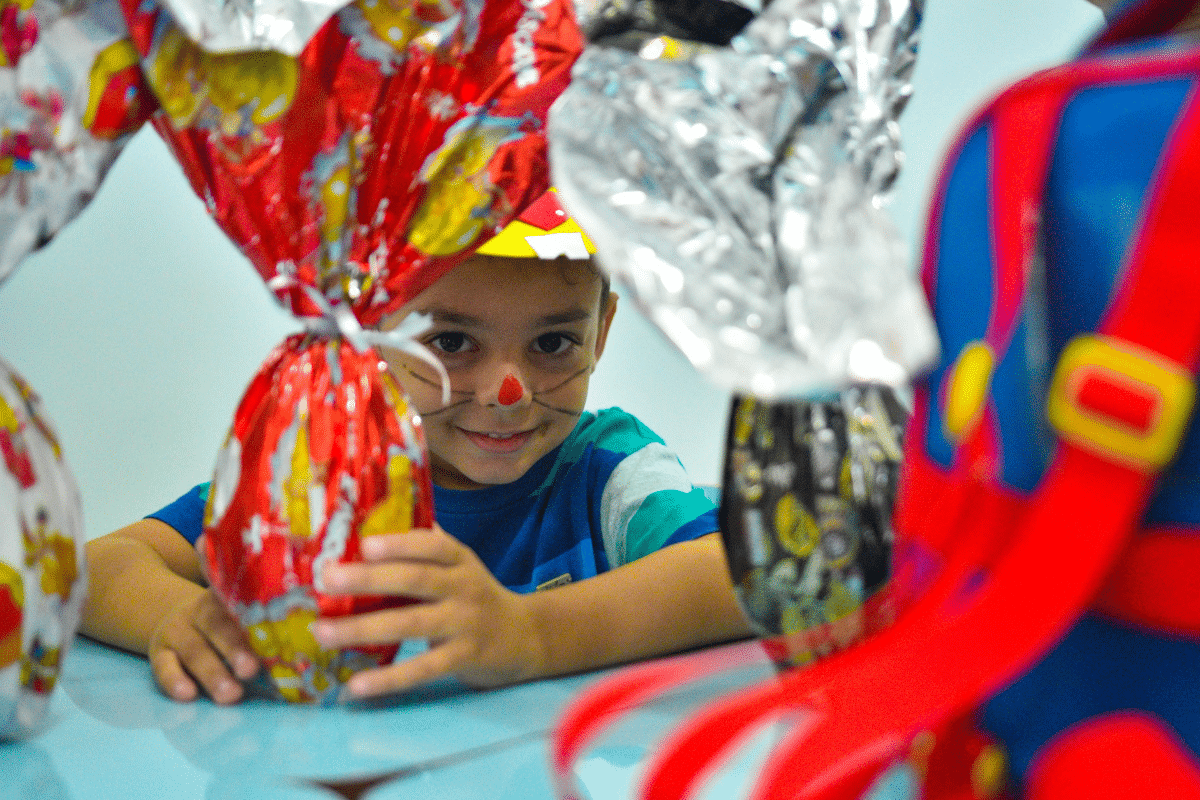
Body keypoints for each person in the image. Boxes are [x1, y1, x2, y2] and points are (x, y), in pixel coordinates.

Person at [80, 190, 751, 705]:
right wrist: (178, 618)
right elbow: (100, 564)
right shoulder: (323, 485)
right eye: (452, 343)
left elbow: (744, 573)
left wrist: (531, 635)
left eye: (553, 343)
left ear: (600, 331)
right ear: (373, 332)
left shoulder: (609, 470)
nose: (507, 391)